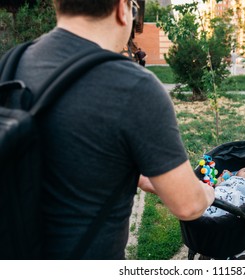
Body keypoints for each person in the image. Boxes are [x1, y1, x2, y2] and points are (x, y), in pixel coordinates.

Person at [13, 0, 214, 259]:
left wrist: (130, 174)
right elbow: (189, 205)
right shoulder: (133, 87)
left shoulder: (11, 64)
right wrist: (207, 193)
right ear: (123, 8)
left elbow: (55, 148)